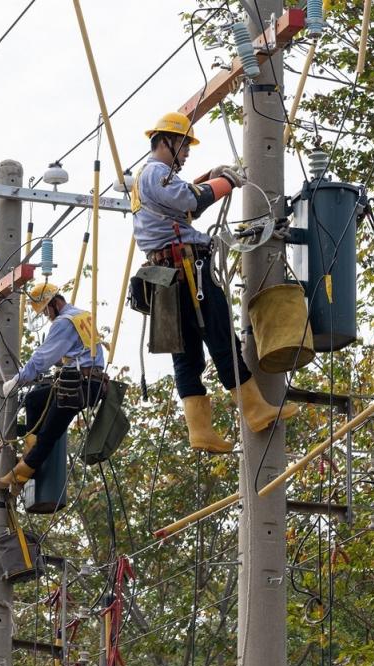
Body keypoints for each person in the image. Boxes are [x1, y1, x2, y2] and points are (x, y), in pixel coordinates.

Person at [131, 112, 298, 453]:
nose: (187, 153)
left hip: (167, 276)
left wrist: (211, 178)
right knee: (221, 337)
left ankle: (200, 430)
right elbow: (190, 201)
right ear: (165, 142)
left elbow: (182, 206)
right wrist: (225, 184)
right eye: (183, 145)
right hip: (187, 270)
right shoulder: (155, 172)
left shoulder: (151, 179)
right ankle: (254, 410)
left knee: (187, 353)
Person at [0, 283, 106, 489]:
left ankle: (18, 476)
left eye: (46, 310)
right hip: (88, 381)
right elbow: (76, 350)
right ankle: (30, 453)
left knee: (48, 434)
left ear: (55, 302)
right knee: (34, 400)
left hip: (78, 386)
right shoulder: (80, 315)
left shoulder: (63, 323)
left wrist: (18, 380)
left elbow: (42, 358)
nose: (47, 316)